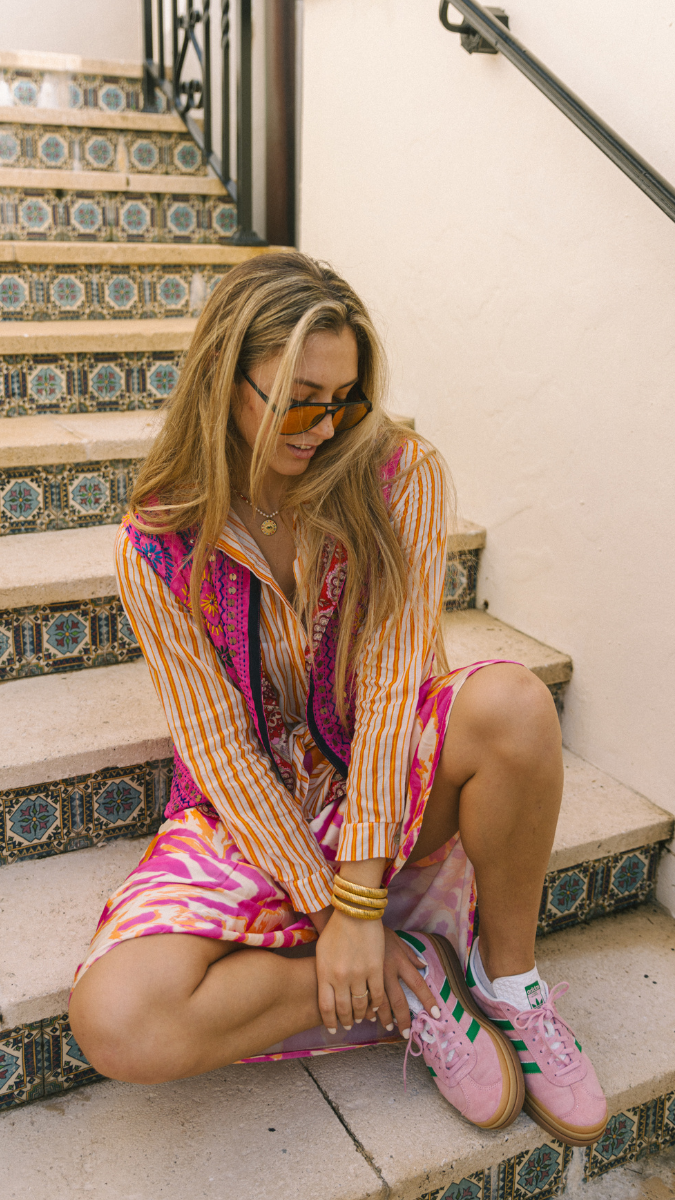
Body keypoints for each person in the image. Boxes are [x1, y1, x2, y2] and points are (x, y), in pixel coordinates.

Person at [69, 252, 607, 1146]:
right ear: (221, 379)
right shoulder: (157, 543)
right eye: (296, 400)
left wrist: (355, 898)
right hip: (252, 810)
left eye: (343, 398)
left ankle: (507, 984)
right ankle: (410, 981)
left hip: (389, 775)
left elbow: (399, 687)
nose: (324, 426)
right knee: (120, 1021)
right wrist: (339, 921)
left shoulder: (398, 475)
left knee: (513, 704)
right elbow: (220, 753)